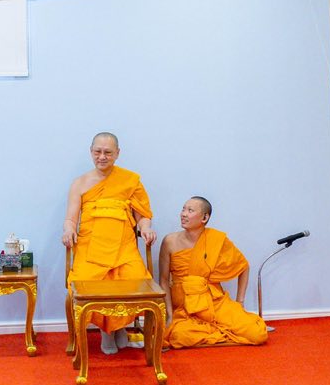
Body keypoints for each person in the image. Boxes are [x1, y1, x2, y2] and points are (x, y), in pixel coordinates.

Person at [62, 131, 155, 354]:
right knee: (86, 281)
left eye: (108, 152)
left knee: (135, 279)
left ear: (117, 154)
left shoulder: (131, 180)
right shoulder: (80, 183)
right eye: (98, 152)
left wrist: (146, 227)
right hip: (90, 246)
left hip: (123, 246)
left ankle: (119, 327)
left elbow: (142, 214)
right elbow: (71, 218)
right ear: (91, 152)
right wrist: (67, 230)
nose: (102, 157)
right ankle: (107, 333)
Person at [159, 197, 268, 347]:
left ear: (205, 217)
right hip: (186, 307)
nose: (183, 214)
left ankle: (214, 330)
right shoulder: (169, 241)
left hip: (215, 301)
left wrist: (240, 302)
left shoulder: (217, 240)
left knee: (257, 333)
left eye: (190, 210)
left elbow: (243, 266)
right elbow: (164, 280)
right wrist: (170, 316)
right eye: (183, 209)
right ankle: (219, 331)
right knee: (179, 336)